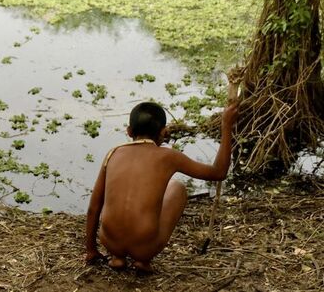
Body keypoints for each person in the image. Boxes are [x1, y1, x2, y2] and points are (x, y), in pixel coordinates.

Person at [85, 101, 238, 273]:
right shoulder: (168, 157)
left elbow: (94, 207)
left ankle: (117, 257)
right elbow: (218, 172)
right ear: (163, 133)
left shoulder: (112, 154)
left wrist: (91, 249)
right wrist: (226, 126)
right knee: (177, 188)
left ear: (129, 132)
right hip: (145, 247)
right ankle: (143, 261)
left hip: (110, 242)